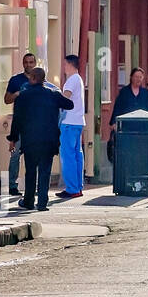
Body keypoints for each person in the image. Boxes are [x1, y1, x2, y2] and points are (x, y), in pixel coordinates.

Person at [7, 68, 71, 212]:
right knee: (45, 171)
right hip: (49, 139)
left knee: (30, 171)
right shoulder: (52, 94)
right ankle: (42, 203)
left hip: (30, 140)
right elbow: (69, 105)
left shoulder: (23, 96)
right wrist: (57, 98)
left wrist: (13, 138)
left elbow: (17, 119)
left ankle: (29, 201)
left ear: (33, 78)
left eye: (31, 77)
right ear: (43, 80)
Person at [4, 52, 39, 198]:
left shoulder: (39, 80)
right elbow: (6, 99)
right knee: (15, 155)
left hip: (35, 125)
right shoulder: (15, 80)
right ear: (23, 63)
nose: (28, 65)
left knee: (34, 156)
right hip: (19, 123)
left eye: (31, 62)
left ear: (35, 63)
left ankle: (33, 186)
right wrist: (17, 94)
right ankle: (12, 185)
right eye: (26, 62)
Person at [109, 67, 148, 163]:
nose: (138, 79)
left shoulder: (145, 93)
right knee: (128, 154)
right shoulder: (124, 92)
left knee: (141, 155)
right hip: (127, 129)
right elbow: (117, 107)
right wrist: (113, 122)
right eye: (136, 76)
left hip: (143, 130)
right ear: (131, 77)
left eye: (140, 77)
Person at [57, 55, 86, 200]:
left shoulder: (71, 80)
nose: (63, 67)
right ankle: (78, 186)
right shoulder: (79, 79)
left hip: (69, 122)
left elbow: (65, 98)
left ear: (69, 64)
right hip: (79, 122)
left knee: (67, 156)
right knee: (77, 155)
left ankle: (71, 188)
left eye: (65, 64)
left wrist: (54, 98)